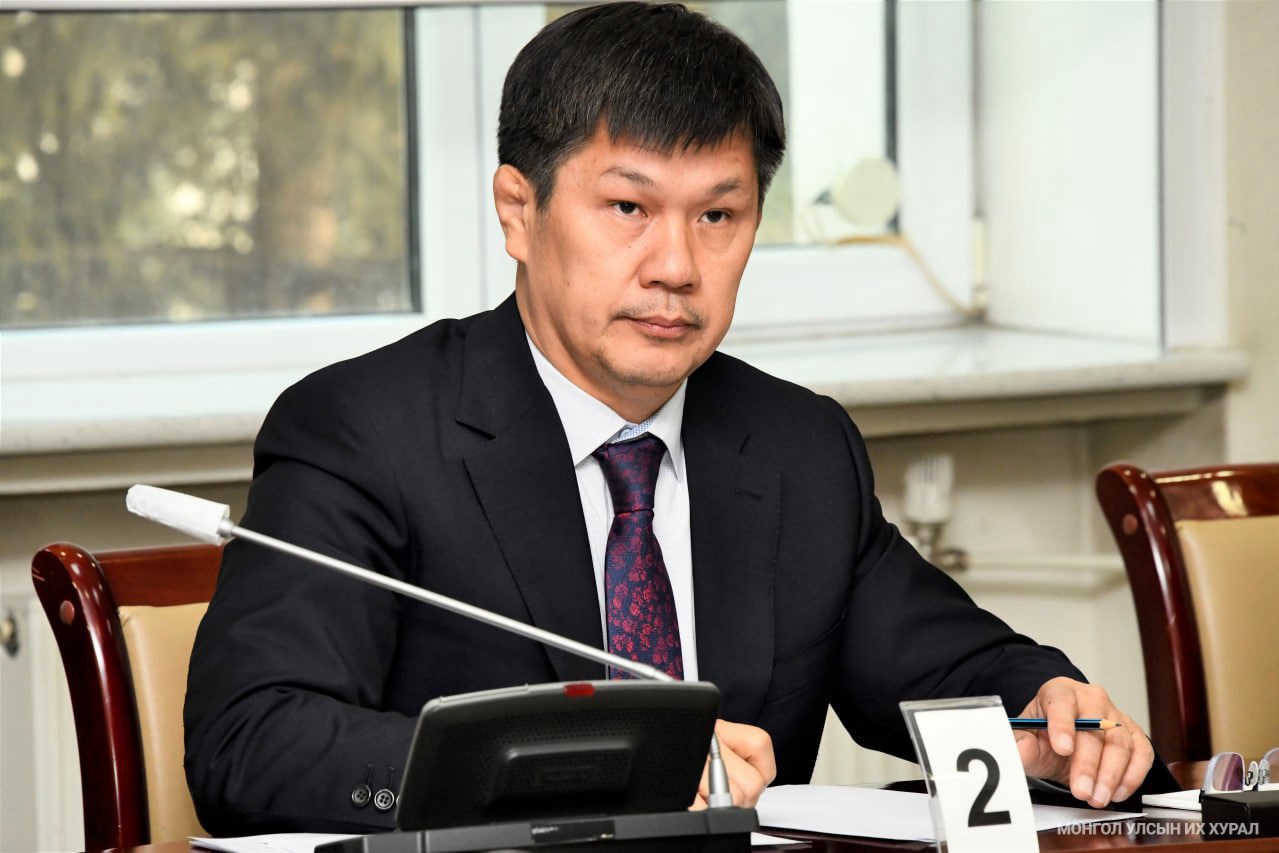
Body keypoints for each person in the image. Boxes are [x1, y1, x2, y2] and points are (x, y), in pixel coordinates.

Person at [185, 2, 1167, 835]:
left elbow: (951, 666)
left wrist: (1044, 714)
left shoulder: (795, 446)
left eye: (717, 216)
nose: (675, 267)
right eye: (628, 208)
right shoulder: (366, 431)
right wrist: (597, 767)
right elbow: (251, 742)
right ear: (518, 211)